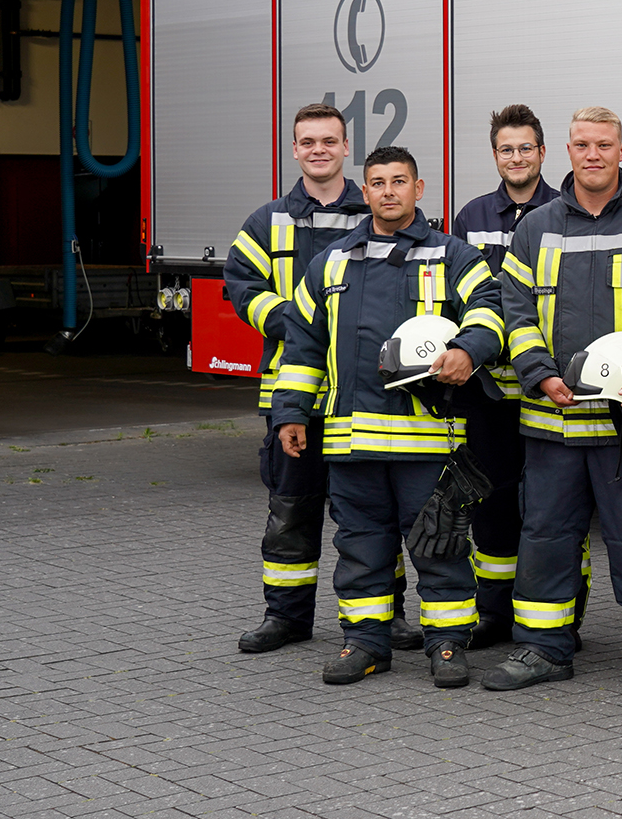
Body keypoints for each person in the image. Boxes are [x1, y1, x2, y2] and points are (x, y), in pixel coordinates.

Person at [269, 145, 505, 687]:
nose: (389, 191)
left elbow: (490, 313)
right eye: (378, 182)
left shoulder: (452, 256)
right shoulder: (331, 263)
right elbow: (302, 348)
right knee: (360, 547)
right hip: (352, 443)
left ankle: (447, 645)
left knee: (439, 544)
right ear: (365, 191)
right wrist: (291, 413)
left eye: (400, 181)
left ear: (419, 190)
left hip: (428, 444)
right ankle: (365, 644)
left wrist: (469, 349)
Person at [485, 107, 622, 697]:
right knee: (546, 536)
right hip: (552, 418)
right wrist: (537, 374)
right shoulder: (535, 228)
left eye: (604, 145)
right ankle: (542, 647)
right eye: (582, 145)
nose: (593, 155)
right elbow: (516, 312)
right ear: (569, 152)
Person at [226, 103, 411, 656]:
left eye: (329, 141)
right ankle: (285, 616)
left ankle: (389, 614)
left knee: (376, 511)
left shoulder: (378, 208)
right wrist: (299, 321)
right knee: (291, 508)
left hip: (366, 393)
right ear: (294, 149)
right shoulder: (267, 220)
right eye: (308, 142)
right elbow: (242, 288)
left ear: (346, 147)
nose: (319, 150)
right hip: (295, 393)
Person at [450, 105, 561, 650]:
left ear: (542, 153)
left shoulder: (564, 213)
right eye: (505, 149)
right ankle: (493, 613)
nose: (516, 158)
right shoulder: (471, 216)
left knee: (550, 508)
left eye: (525, 148)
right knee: (490, 505)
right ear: (495, 156)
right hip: (489, 390)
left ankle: (561, 615)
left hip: (547, 387)